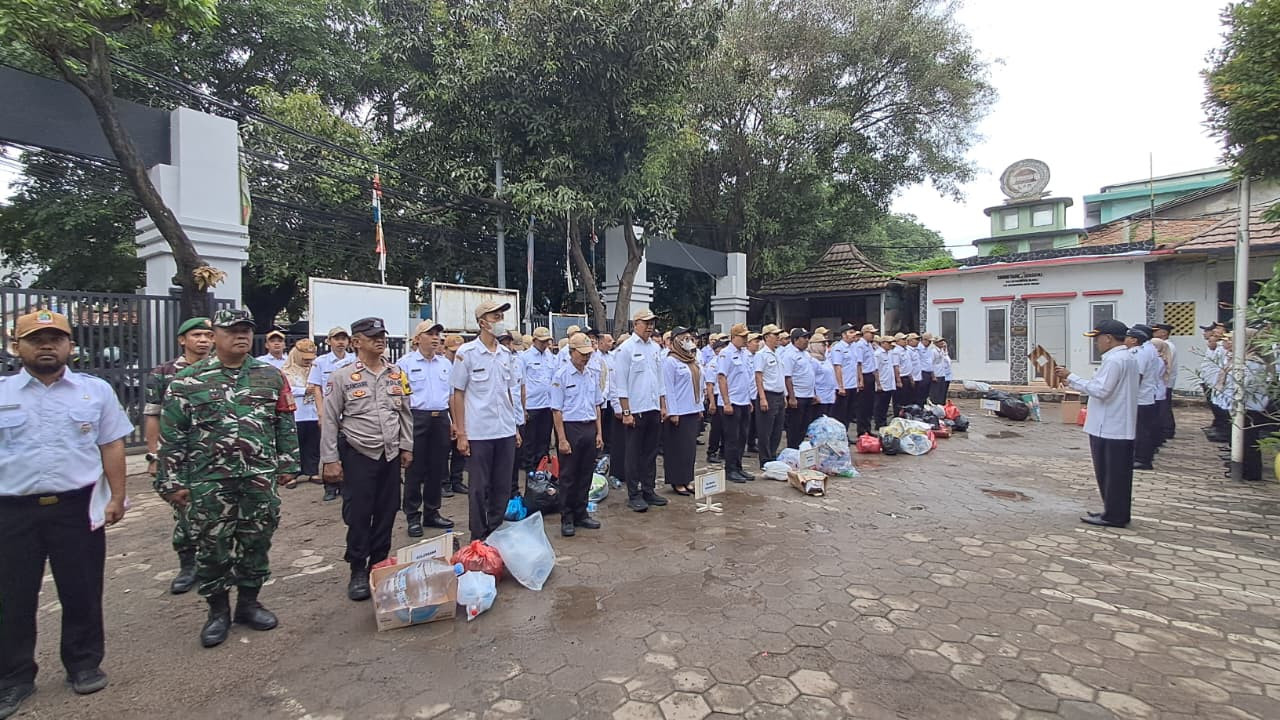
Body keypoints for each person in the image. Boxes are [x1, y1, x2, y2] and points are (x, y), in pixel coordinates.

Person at [0, 311, 131, 715]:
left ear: (70, 346)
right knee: (12, 596)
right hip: (12, 511)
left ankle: (83, 663)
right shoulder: (3, 393)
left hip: (77, 507)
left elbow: (111, 445)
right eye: (36, 338)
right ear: (15, 346)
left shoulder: (94, 392)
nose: (46, 345)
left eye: (56, 338)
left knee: (82, 590)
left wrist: (117, 498)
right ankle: (14, 676)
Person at [157, 308, 298, 647]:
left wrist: (288, 463)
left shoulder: (270, 377)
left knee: (257, 541)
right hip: (209, 481)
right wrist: (172, 481)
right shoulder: (187, 382)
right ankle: (217, 611)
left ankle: (249, 604)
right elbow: (172, 436)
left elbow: (283, 423)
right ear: (215, 334)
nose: (242, 335)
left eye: (247, 329)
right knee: (213, 547)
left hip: (258, 478)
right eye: (233, 329)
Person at [321, 317, 414, 602]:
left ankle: (379, 563)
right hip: (359, 453)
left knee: (387, 511)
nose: (380, 340)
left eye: (382, 335)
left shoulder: (396, 374)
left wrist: (407, 446)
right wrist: (330, 459)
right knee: (360, 514)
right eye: (373, 336)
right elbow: (330, 420)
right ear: (356, 342)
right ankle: (358, 569)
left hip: (390, 454)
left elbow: (404, 413)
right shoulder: (341, 376)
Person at [143, 316, 213, 595]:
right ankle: (189, 565)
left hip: (214, 454)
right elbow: (152, 415)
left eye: (208, 335)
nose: (204, 340)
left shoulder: (224, 369)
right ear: (182, 340)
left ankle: (215, 564)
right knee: (184, 511)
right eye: (197, 335)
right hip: (179, 455)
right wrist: (154, 456)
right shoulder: (163, 373)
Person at [1055, 318, 1139, 528]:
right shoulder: (1125, 358)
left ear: (1109, 338)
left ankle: (1114, 515)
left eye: (1098, 339)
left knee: (1111, 474)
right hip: (1115, 424)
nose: (1096, 343)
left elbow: (1101, 390)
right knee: (1115, 475)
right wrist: (1073, 380)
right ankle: (1113, 510)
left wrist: (1071, 376)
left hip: (1110, 426)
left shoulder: (1115, 360)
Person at [451, 301, 522, 541]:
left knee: (502, 488)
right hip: (479, 432)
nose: (500, 321)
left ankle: (494, 531)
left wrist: (515, 426)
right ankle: (478, 536)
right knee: (479, 489)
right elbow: (458, 394)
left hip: (504, 430)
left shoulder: (505, 354)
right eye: (495, 317)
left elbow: (508, 391)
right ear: (482, 323)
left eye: (502, 316)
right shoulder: (466, 353)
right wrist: (461, 433)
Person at [400, 320, 455, 538]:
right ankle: (413, 516)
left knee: (437, 467)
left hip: (440, 417)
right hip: (416, 417)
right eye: (429, 334)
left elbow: (450, 396)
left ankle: (432, 511)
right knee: (414, 468)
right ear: (417, 339)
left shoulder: (445, 364)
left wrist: (454, 423)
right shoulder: (405, 363)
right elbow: (401, 398)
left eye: (437, 334)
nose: (435, 338)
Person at [615, 309, 669, 512]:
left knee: (650, 452)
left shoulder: (655, 348)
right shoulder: (626, 349)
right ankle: (634, 493)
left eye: (652, 323)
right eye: (646, 323)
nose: (650, 326)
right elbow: (621, 383)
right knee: (633, 454)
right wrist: (626, 412)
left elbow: (660, 379)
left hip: (653, 407)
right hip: (635, 410)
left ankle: (648, 489)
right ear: (635, 323)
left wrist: (663, 405)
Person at [551, 333, 605, 536]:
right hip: (570, 428)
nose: (585, 357)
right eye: (581, 354)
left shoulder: (591, 374)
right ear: (571, 352)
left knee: (586, 473)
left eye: (588, 354)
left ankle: (581, 513)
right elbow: (557, 410)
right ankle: (567, 517)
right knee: (568, 475)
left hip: (589, 426)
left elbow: (597, 406)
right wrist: (562, 439)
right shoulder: (561, 376)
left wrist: (599, 432)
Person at [308, 326, 355, 501]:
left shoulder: (354, 360)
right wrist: (321, 412)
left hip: (349, 410)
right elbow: (316, 388)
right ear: (329, 342)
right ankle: (329, 486)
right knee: (328, 447)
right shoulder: (321, 362)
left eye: (344, 338)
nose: (340, 342)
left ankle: (344, 483)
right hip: (329, 409)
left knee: (347, 449)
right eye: (337, 338)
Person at [662, 327, 704, 496]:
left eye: (689, 338)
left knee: (689, 449)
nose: (688, 341)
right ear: (676, 341)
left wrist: (700, 407)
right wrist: (673, 412)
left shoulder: (692, 360)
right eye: (683, 338)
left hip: (692, 409)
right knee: (677, 448)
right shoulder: (670, 361)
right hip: (679, 411)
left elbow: (699, 385)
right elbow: (668, 388)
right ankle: (676, 481)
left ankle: (687, 479)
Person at [717, 323, 756, 483]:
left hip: (744, 401)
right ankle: (730, 469)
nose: (746, 339)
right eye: (743, 337)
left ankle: (738, 466)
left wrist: (749, 400)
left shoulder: (745, 354)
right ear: (734, 337)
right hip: (731, 401)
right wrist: (726, 402)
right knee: (732, 438)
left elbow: (746, 378)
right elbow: (722, 378)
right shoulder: (726, 354)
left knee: (742, 437)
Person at [281, 339, 320, 488]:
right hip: (296, 413)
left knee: (313, 443)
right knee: (295, 444)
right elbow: (285, 390)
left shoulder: (315, 369)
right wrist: (303, 390)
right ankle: (293, 473)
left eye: (310, 359)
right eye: (304, 359)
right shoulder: (286, 370)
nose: (307, 362)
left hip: (313, 412)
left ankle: (312, 471)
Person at [520, 327, 556, 485]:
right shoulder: (525, 357)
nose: (545, 344)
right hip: (532, 403)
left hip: (547, 403)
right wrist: (523, 407)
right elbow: (522, 383)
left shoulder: (550, 357)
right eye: (541, 342)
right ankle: (529, 467)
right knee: (530, 439)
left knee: (544, 438)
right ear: (534, 341)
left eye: (547, 341)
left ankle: (542, 466)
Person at [1125, 326, 1161, 472]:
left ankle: (1142, 459)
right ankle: (1144, 456)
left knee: (1141, 430)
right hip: (1146, 396)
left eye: (1127, 337)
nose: (1125, 340)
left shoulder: (1140, 352)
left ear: (1134, 340)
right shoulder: (1148, 349)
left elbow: (1137, 376)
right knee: (1144, 428)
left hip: (1140, 397)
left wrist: (1129, 395)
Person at [753, 324, 786, 466]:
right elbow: (759, 376)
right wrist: (762, 398)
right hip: (768, 394)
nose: (778, 338)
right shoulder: (761, 355)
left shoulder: (777, 353)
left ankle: (773, 454)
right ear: (767, 337)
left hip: (779, 394)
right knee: (765, 430)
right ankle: (765, 459)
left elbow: (780, 376)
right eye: (775, 335)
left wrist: (784, 395)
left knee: (777, 429)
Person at [442, 334, 469, 496]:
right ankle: (444, 482)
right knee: (444, 450)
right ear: (445, 350)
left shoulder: (465, 364)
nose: (456, 354)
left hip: (462, 409)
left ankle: (456, 480)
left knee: (460, 449)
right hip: (444, 410)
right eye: (453, 351)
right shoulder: (443, 365)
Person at [785, 328, 815, 448]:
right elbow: (788, 377)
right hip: (797, 395)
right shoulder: (789, 355)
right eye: (804, 338)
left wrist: (814, 393)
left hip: (808, 395)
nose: (807, 340)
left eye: (808, 337)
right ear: (796, 339)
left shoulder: (806, 354)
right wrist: (791, 397)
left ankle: (800, 449)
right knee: (794, 427)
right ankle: (792, 449)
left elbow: (809, 374)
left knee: (804, 426)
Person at [829, 324, 858, 431]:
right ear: (844, 335)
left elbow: (857, 365)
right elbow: (838, 367)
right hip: (842, 386)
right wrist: (841, 386)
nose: (854, 334)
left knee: (849, 413)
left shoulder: (854, 347)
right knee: (840, 414)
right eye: (851, 332)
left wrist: (859, 382)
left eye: (854, 332)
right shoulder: (838, 348)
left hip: (852, 385)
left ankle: (845, 433)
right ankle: (838, 435)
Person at [1151, 323, 1178, 439]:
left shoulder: (1166, 346)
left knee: (1164, 408)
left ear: (1163, 333)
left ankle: (1167, 430)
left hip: (1164, 381)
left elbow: (1166, 363)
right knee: (1164, 407)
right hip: (1164, 381)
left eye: (1156, 331)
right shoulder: (1166, 345)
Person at [703, 334, 727, 463]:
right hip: (717, 396)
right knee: (717, 427)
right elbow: (710, 384)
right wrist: (712, 402)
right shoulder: (713, 363)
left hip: (726, 396)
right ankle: (712, 452)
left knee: (726, 427)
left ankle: (723, 451)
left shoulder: (726, 361)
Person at [852, 324, 878, 436]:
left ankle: (868, 428)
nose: (873, 335)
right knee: (862, 405)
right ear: (865, 333)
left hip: (870, 375)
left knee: (869, 405)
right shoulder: (860, 346)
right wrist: (860, 380)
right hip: (864, 376)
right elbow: (859, 364)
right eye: (871, 333)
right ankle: (861, 430)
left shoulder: (869, 345)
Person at [874, 336, 901, 430]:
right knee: (879, 405)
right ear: (883, 343)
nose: (890, 345)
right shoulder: (878, 354)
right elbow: (876, 370)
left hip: (889, 383)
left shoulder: (889, 353)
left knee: (885, 405)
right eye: (889, 343)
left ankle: (883, 422)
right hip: (882, 383)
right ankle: (879, 423)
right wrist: (878, 384)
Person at [810, 332, 837, 419]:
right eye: (822, 344)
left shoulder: (826, 359)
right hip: (819, 397)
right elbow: (811, 379)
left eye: (826, 344)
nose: (825, 346)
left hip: (830, 396)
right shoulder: (812, 360)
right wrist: (814, 395)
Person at [930, 339, 953, 405]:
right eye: (940, 341)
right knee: (936, 393)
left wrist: (945, 350)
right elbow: (931, 364)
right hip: (937, 374)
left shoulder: (942, 351)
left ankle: (942, 406)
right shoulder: (933, 351)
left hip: (943, 374)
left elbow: (947, 361)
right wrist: (933, 375)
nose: (942, 343)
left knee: (942, 393)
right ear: (936, 343)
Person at [917, 333, 937, 406]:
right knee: (921, 392)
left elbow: (930, 363)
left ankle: (923, 406)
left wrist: (933, 375)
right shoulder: (918, 348)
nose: (930, 343)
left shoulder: (929, 349)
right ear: (924, 340)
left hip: (928, 372)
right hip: (922, 372)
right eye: (929, 341)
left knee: (926, 393)